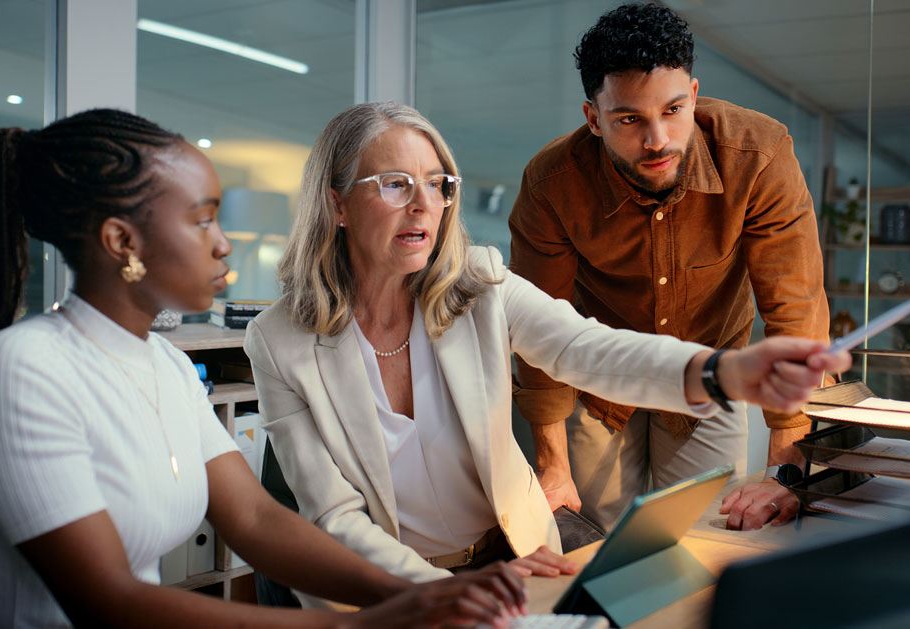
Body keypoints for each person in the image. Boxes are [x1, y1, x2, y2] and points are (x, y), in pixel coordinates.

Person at [0, 109, 528, 628]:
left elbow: (258, 522)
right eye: (202, 218)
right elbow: (111, 604)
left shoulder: (166, 365)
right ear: (122, 241)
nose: (223, 242)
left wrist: (422, 590)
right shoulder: (21, 368)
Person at [243, 101, 848, 608]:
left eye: (437, 183)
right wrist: (442, 595)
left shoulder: (481, 285)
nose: (425, 203)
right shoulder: (279, 342)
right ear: (338, 204)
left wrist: (722, 371)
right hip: (385, 596)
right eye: (396, 184)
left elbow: (590, 349)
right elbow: (334, 518)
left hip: (513, 563)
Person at [508, 2, 832, 533]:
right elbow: (539, 326)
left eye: (673, 110)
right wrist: (552, 466)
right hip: (598, 378)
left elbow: (793, 306)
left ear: (695, 95)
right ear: (594, 119)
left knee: (707, 535)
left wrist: (786, 467)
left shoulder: (759, 155)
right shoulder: (552, 184)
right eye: (630, 119)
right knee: (602, 544)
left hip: (713, 366)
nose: (657, 139)